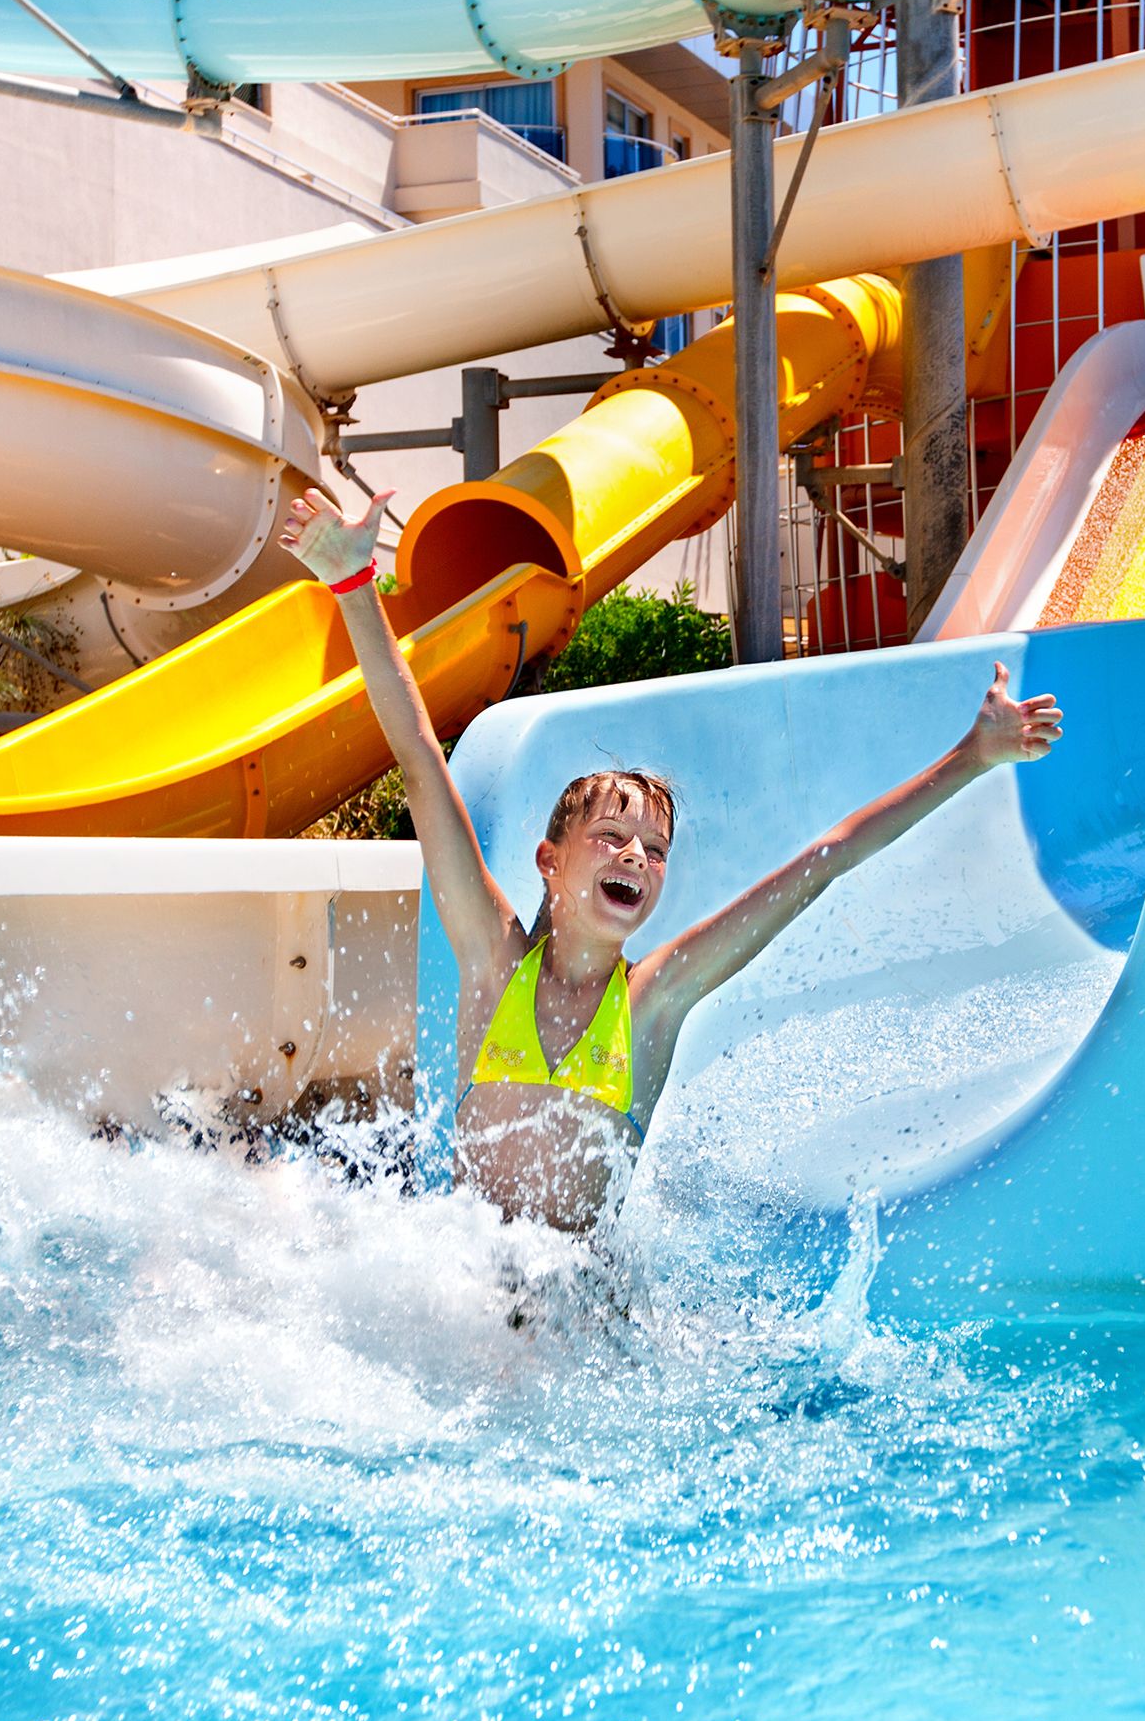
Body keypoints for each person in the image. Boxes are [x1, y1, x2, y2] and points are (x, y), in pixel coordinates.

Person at [278, 487, 1063, 1230]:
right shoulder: (492, 961)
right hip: (471, 1289)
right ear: (549, 859)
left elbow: (825, 859)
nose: (636, 857)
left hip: (576, 1312)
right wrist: (354, 585)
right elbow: (420, 761)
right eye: (612, 838)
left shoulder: (654, 1000)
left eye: (654, 849)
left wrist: (972, 757)